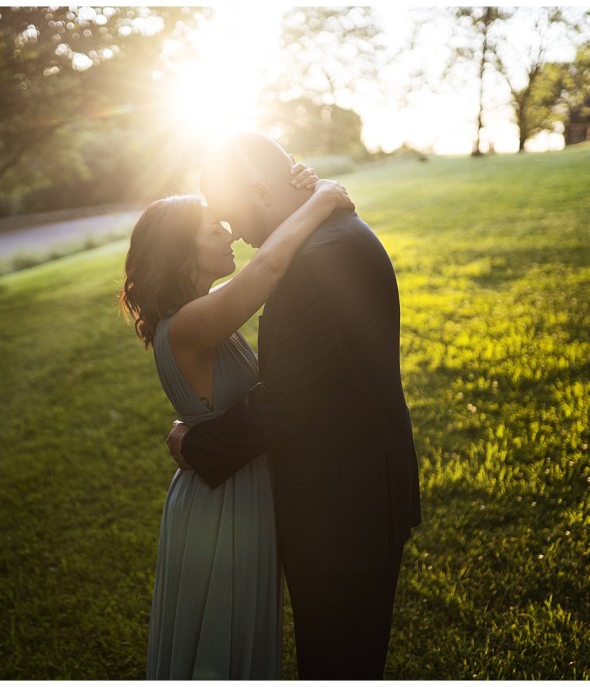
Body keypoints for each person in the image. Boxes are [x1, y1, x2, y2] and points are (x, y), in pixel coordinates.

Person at [167, 132, 422, 679]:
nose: (233, 230)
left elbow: (283, 402)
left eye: (232, 213)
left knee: (337, 664)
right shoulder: (329, 235)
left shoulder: (317, 259)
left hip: (342, 510)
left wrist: (196, 444)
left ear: (260, 190)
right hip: (356, 494)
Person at [120, 160, 354, 679]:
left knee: (238, 640)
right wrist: (324, 198)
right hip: (219, 506)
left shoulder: (200, 314)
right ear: (184, 252)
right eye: (213, 227)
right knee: (221, 644)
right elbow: (269, 267)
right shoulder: (188, 324)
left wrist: (299, 189)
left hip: (232, 488)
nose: (228, 231)